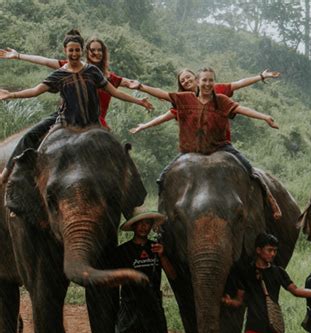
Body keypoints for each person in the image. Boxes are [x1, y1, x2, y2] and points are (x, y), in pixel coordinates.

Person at [0, 30, 152, 183]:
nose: (74, 54)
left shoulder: (93, 71)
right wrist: (11, 94)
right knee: (32, 137)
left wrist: (138, 101)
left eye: (77, 50)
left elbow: (115, 92)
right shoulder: (59, 74)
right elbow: (36, 90)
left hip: (92, 122)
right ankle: (5, 175)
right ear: (65, 50)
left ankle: (130, 188)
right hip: (66, 121)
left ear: (81, 51)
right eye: (71, 50)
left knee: (117, 154)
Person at [130, 67, 282, 219]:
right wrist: (141, 87)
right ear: (198, 81)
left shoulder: (221, 99)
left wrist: (265, 117)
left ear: (212, 82)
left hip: (221, 147)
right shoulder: (184, 99)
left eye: (210, 80)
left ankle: (270, 199)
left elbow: (241, 108)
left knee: (249, 169)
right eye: (204, 80)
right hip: (190, 150)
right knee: (163, 177)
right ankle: (162, 217)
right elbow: (162, 94)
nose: (207, 84)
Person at [109, 208, 176, 333]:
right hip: (129, 307)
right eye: (141, 224)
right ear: (134, 227)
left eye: (148, 224)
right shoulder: (122, 251)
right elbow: (112, 279)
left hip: (153, 308)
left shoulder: (157, 248)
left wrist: (163, 256)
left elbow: (172, 275)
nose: (144, 227)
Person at [130, 68, 280, 134]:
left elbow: (239, 84)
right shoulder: (184, 101)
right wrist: (145, 125)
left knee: (247, 169)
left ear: (196, 78)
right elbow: (165, 112)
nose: (186, 81)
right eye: (182, 81)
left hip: (220, 142)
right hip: (196, 144)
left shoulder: (217, 90)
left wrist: (261, 76)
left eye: (188, 77)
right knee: (166, 175)